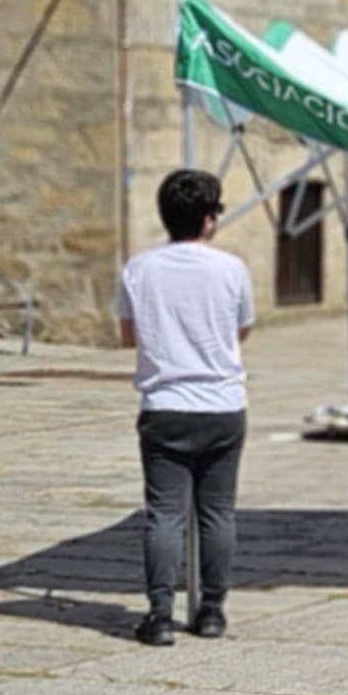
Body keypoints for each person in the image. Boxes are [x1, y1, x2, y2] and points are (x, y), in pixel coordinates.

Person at [119, 168, 250, 646]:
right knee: (218, 513)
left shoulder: (138, 268)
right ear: (208, 220)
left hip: (165, 404)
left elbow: (127, 335)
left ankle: (158, 614)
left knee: (164, 513)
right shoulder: (232, 269)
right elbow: (242, 330)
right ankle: (211, 611)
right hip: (221, 404)